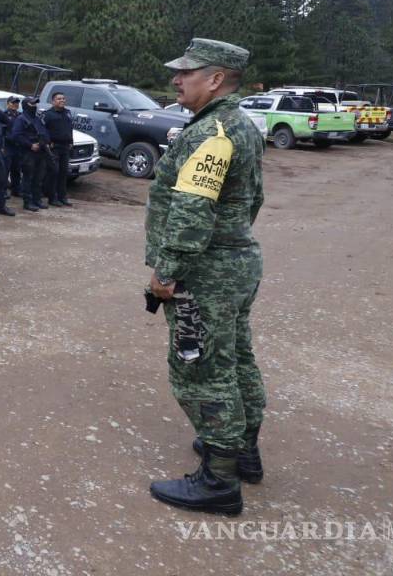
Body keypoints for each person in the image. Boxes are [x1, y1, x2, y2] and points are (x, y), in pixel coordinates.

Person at [145, 38, 267, 516]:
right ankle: (244, 454)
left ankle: (219, 481)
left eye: (186, 73)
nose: (176, 79)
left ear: (215, 79)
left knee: (201, 370)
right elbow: (251, 202)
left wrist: (166, 273)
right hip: (235, 263)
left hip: (203, 273)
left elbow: (193, 213)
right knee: (236, 357)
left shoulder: (211, 134)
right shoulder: (240, 124)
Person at [8, 96, 51, 211]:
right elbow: (15, 136)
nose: (35, 106)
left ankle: (37, 200)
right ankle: (28, 202)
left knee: (38, 178)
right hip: (28, 153)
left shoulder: (37, 118)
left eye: (36, 104)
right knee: (28, 178)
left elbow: (44, 132)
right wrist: (30, 145)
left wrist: (46, 142)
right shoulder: (21, 119)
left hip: (41, 152)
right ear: (26, 105)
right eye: (32, 104)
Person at [41, 91, 74, 207]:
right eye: (59, 99)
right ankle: (52, 197)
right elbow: (43, 130)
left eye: (63, 99)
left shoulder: (68, 113)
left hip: (65, 147)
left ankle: (62, 197)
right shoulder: (48, 114)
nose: (62, 101)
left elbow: (70, 128)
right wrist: (48, 142)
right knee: (54, 173)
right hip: (54, 148)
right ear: (53, 101)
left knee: (63, 173)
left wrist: (71, 141)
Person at [2, 96, 23, 197]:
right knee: (5, 170)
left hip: (18, 146)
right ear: (8, 103)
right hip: (8, 145)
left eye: (17, 103)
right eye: (13, 102)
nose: (15, 104)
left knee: (17, 169)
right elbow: (2, 131)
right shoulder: (4, 115)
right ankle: (4, 190)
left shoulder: (20, 115)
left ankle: (16, 190)